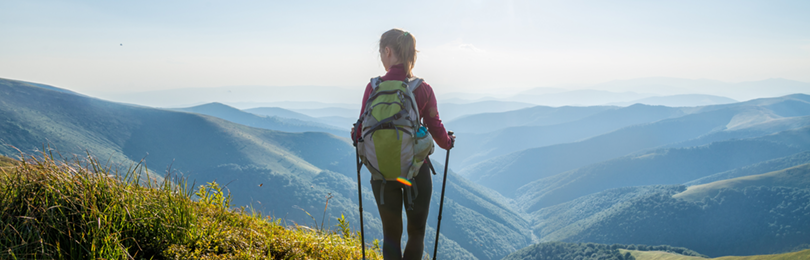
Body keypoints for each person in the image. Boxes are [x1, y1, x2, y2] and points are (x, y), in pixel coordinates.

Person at [352, 28, 455, 260]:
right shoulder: (422, 89)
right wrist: (448, 142)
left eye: (381, 52)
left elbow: (358, 132)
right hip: (415, 171)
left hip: (381, 173)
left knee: (390, 236)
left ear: (388, 51)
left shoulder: (373, 88)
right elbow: (436, 128)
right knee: (416, 233)